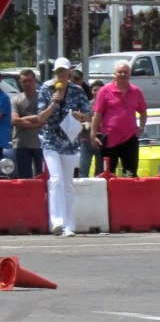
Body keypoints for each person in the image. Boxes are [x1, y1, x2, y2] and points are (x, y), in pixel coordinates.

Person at [36, 58, 92, 236]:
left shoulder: (77, 90)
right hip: (51, 140)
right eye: (58, 72)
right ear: (55, 73)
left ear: (69, 73)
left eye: (64, 71)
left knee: (67, 182)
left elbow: (88, 115)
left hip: (69, 140)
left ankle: (69, 225)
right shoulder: (46, 88)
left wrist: (80, 116)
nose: (61, 75)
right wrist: (53, 103)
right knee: (55, 179)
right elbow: (40, 117)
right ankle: (57, 222)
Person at [92, 60, 148, 176]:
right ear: (114, 74)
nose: (123, 74)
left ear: (130, 75)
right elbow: (97, 115)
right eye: (120, 72)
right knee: (107, 175)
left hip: (130, 138)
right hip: (109, 139)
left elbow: (143, 113)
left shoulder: (136, 91)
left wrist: (141, 127)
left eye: (126, 72)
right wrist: (93, 135)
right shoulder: (104, 91)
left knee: (130, 175)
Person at [10, 69, 45, 178]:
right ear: (20, 82)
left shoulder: (42, 98)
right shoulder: (15, 99)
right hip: (21, 144)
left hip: (40, 144)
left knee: (41, 176)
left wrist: (23, 120)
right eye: (24, 81)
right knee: (24, 177)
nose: (27, 83)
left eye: (30, 80)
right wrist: (36, 121)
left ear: (34, 81)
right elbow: (15, 120)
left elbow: (45, 119)